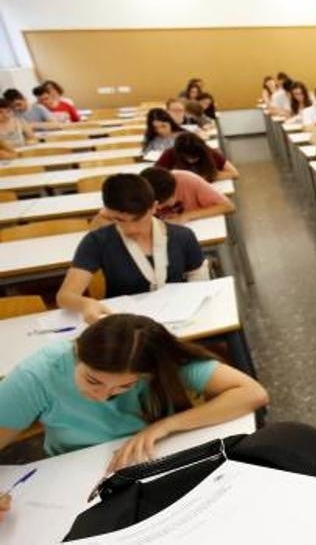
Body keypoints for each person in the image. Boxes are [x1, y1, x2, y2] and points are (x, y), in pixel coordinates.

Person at [0, 314, 268, 475]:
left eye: (124, 386)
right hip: (78, 471)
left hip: (159, 457)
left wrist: (167, 425)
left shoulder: (150, 361)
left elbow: (252, 393)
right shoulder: (37, 375)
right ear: (77, 352)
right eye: (92, 380)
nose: (104, 396)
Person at [56, 174, 211, 322]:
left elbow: (199, 281)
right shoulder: (97, 241)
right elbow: (65, 296)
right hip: (127, 326)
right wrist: (85, 304)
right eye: (119, 220)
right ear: (108, 212)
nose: (130, 229)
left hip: (180, 317)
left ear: (154, 207)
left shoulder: (182, 236)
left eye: (138, 219)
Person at [140, 166, 235, 224]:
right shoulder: (139, 189)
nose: (158, 208)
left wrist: (186, 216)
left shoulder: (187, 179)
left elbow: (228, 206)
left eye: (160, 204)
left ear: (173, 194)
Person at [155, 132, 240, 181]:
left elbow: (234, 173)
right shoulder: (170, 153)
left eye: (195, 157)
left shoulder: (209, 151)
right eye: (187, 158)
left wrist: (208, 176)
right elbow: (155, 176)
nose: (192, 161)